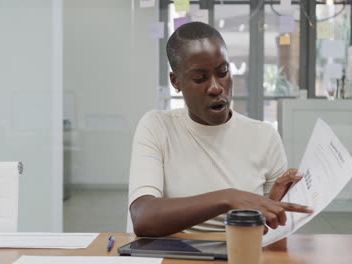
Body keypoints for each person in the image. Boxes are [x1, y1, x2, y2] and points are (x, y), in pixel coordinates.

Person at [128, 22, 312, 237]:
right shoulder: (157, 127)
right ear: (176, 81)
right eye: (199, 78)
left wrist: (272, 206)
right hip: (174, 255)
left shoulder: (264, 136)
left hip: (238, 252)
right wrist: (227, 198)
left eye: (223, 72)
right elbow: (143, 218)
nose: (216, 87)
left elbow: (269, 235)